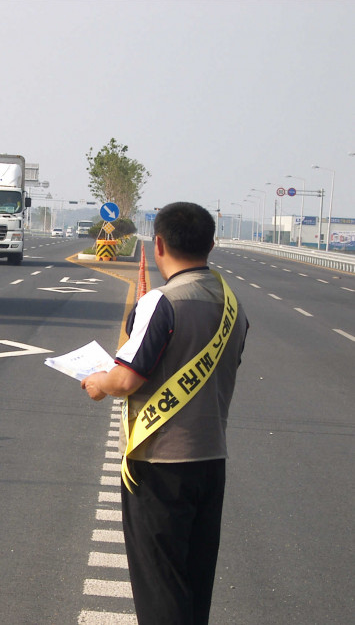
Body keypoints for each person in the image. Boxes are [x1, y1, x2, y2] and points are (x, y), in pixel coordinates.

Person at [81, 202, 249, 625]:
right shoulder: (233, 305)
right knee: (195, 581)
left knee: (161, 586)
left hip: (159, 463)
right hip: (211, 460)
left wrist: (98, 382)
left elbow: (125, 379)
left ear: (158, 245)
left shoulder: (162, 302)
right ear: (211, 244)